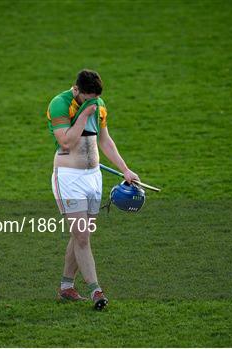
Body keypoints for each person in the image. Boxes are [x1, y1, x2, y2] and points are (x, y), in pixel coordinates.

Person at [46, 69, 140, 310]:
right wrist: (84, 113)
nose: (93, 103)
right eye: (87, 98)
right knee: (83, 237)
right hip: (69, 178)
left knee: (80, 236)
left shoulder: (98, 103)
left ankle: (66, 287)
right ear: (76, 89)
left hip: (93, 179)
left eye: (95, 99)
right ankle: (96, 290)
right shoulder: (59, 104)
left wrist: (126, 170)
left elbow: (105, 140)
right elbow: (66, 141)